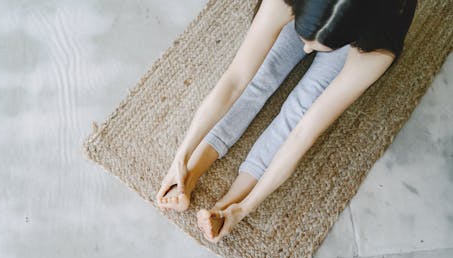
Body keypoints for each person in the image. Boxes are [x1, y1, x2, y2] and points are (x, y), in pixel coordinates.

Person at [155, 0, 417, 243]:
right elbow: (235, 80)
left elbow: (303, 132)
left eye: (314, 46)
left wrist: (244, 209)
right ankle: (187, 176)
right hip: (310, 14)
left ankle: (226, 206)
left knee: (302, 107)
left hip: (354, 38)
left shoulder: (377, 45)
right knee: (261, 76)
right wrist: (181, 156)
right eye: (306, 40)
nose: (306, 50)